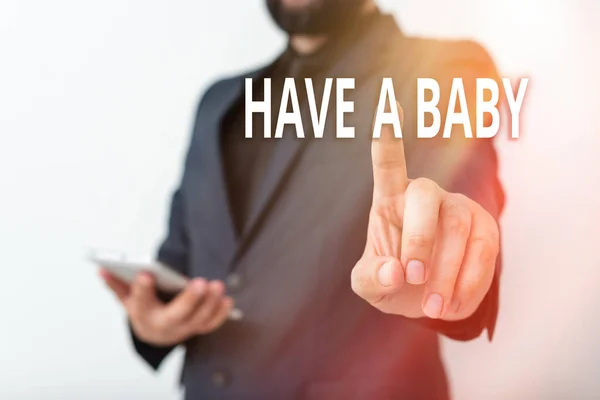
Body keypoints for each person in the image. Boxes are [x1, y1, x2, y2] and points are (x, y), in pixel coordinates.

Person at [100, 0, 504, 398]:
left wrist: (454, 251)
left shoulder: (445, 71)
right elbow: (178, 265)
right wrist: (152, 326)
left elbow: (462, 194)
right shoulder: (218, 104)